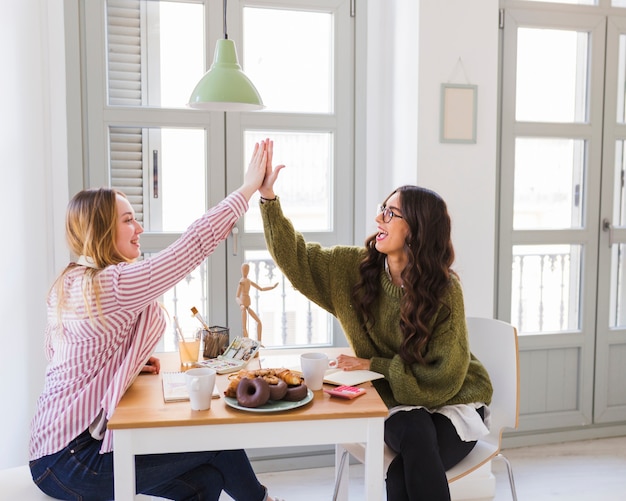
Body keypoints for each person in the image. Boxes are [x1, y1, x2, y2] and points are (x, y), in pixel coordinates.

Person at [29, 141, 284, 501]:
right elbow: (192, 246)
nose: (140, 227)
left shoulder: (74, 280)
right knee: (219, 440)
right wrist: (246, 190)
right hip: (71, 459)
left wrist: (125, 366)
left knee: (207, 481)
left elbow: (63, 352)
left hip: (52, 453)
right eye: (128, 219)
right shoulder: (110, 285)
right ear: (103, 230)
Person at [257, 140, 493, 501]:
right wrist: (269, 200)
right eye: (382, 208)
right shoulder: (351, 270)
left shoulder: (445, 291)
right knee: (414, 431)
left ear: (415, 229)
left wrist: (374, 364)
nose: (378, 218)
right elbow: (298, 259)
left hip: (453, 401)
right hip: (398, 403)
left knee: (402, 471)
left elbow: (445, 377)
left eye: (391, 213)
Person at [235, 262, 278, 342]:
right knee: (244, 327)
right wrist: (241, 304)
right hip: (243, 306)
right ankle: (247, 343)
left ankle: (259, 341)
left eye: (247, 269)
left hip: (247, 305)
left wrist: (272, 287)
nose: (246, 271)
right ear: (241, 270)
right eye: (244, 269)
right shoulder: (241, 281)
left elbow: (261, 288)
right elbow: (237, 296)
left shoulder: (249, 281)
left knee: (259, 322)